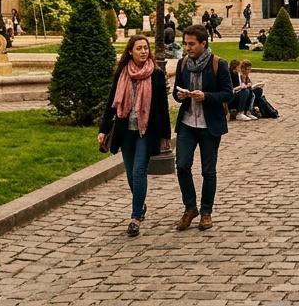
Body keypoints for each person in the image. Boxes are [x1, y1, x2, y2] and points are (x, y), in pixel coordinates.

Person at [98, 35, 170, 236]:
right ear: (130, 51)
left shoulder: (155, 73)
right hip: (125, 130)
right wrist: (103, 130)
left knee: (139, 171)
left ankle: (135, 217)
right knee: (130, 174)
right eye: (139, 48)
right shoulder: (122, 73)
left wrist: (165, 134)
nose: (144, 51)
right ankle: (141, 204)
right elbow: (111, 101)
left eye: (146, 48)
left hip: (146, 131)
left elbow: (162, 107)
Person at [172, 24, 233, 231]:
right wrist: (180, 96)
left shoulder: (218, 64)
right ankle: (190, 207)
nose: (187, 47)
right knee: (181, 165)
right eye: (185, 43)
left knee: (208, 171)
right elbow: (175, 92)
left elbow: (228, 94)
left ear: (203, 44)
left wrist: (206, 97)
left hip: (209, 125)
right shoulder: (182, 64)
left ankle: (206, 211)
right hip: (188, 123)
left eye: (191, 44)